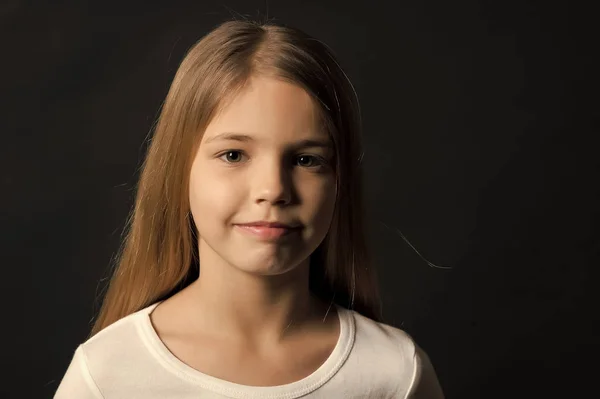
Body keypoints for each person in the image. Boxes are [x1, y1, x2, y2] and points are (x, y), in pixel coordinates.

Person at [55, 19, 444, 398]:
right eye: (233, 154)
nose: (273, 190)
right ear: (179, 171)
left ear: (340, 182)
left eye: (306, 160)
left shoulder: (394, 374)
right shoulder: (108, 374)